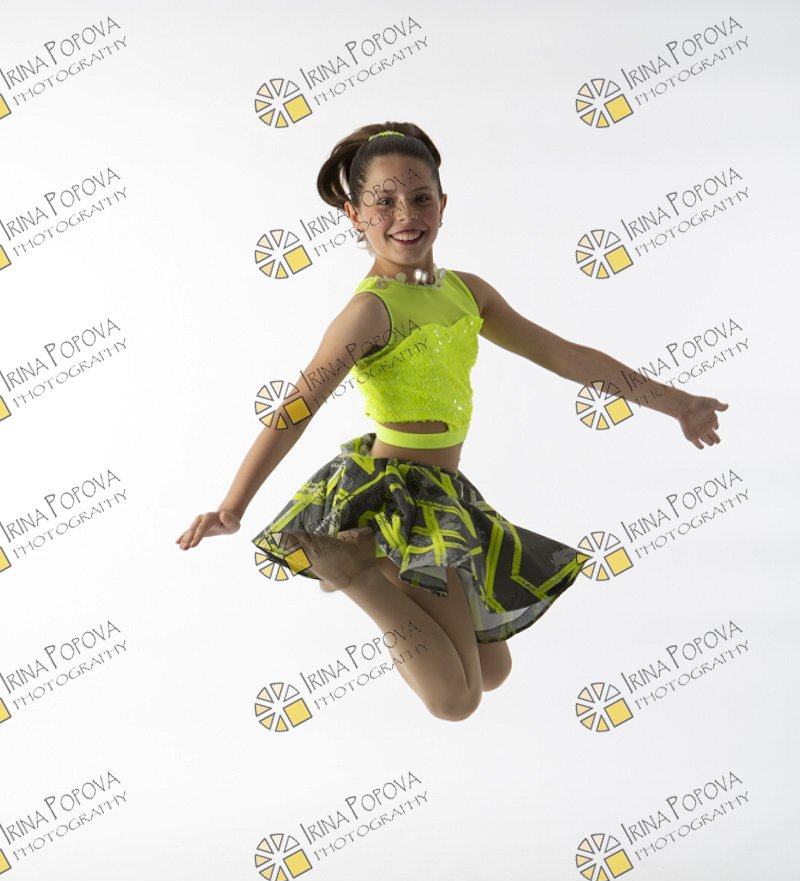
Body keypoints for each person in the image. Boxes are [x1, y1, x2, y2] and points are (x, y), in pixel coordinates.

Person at [175, 121, 728, 722]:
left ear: (443, 203)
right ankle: (351, 568)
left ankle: (360, 566)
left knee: (493, 671)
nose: (404, 214)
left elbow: (564, 355)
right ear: (354, 216)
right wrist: (232, 506)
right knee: (454, 699)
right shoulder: (369, 311)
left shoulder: (467, 292)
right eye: (383, 201)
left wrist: (677, 403)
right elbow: (297, 407)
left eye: (419, 197)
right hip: (395, 499)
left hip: (444, 491)